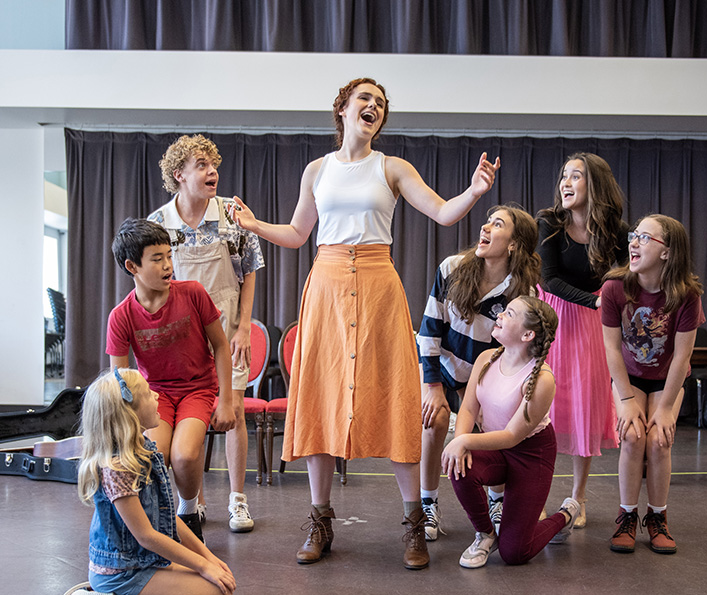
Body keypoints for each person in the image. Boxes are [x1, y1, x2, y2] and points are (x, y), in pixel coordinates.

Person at [228, 77, 500, 569]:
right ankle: (320, 521)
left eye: (380, 103)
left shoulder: (392, 167)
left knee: (397, 395)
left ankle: (414, 522)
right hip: (327, 284)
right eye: (364, 99)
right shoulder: (317, 169)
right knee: (321, 397)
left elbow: (441, 212)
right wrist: (251, 224)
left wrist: (475, 191)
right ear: (343, 109)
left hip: (377, 285)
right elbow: (296, 234)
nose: (372, 106)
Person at [149, 134, 265, 534]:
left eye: (213, 164)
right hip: (180, 337)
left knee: (231, 412)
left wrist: (245, 328)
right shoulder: (159, 224)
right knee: (186, 415)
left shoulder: (232, 215)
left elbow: (249, 272)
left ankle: (237, 501)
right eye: (201, 165)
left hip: (228, 326)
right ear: (179, 174)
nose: (212, 171)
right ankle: (192, 502)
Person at [61, 368, 236, 595]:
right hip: (122, 572)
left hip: (144, 563)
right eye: (147, 393)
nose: (156, 395)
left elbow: (167, 518)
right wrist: (202, 566)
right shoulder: (117, 468)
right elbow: (147, 536)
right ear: (128, 415)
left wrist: (208, 557)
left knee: (221, 583)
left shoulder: (144, 449)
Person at [106, 218, 236, 544]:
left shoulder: (192, 293)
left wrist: (226, 400)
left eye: (168, 256)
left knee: (185, 456)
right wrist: (126, 429)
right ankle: (159, 521)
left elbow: (221, 346)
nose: (167, 266)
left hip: (197, 388)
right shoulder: (121, 316)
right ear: (131, 266)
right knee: (155, 455)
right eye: (157, 259)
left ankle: (189, 512)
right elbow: (121, 382)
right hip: (156, 395)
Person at [417, 204, 541, 541]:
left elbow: (514, 352)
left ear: (514, 244)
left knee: (493, 422)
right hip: (442, 367)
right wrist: (433, 387)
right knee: (436, 418)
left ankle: (497, 500)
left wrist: (493, 395)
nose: (485, 228)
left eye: (497, 224)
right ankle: (426, 505)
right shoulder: (452, 269)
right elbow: (428, 333)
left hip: (485, 375)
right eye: (487, 222)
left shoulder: (523, 293)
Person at [442, 296, 581, 567]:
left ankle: (565, 514)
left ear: (528, 334)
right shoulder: (486, 358)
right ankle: (485, 534)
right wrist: (460, 442)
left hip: (530, 454)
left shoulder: (541, 379)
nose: (499, 316)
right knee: (460, 466)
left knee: (515, 553)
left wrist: (465, 440)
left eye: (509, 313)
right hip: (495, 448)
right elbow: (468, 409)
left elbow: (512, 436)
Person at [536, 152, 629, 533]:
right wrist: (595, 300)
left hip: (593, 326)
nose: (566, 183)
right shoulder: (550, 223)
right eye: (564, 176)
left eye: (576, 176)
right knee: (543, 409)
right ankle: (537, 496)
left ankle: (579, 497)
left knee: (584, 408)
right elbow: (549, 279)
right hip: (556, 317)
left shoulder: (617, 232)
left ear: (595, 185)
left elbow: (624, 275)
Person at [601, 215, 704, 554]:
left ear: (667, 252)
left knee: (660, 440)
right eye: (634, 235)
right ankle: (627, 515)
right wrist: (627, 399)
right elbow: (612, 349)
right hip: (628, 378)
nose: (633, 242)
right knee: (632, 437)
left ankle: (657, 516)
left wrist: (665, 408)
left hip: (666, 380)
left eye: (645, 238)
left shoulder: (686, 295)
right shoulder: (615, 288)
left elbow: (681, 357)